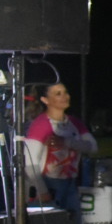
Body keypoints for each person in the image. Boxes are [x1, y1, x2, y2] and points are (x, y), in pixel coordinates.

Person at [23, 83, 96, 211]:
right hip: (50, 185)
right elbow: (30, 163)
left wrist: (66, 142)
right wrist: (42, 191)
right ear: (45, 100)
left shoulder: (74, 122)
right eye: (58, 94)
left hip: (72, 183)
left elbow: (93, 147)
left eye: (65, 92)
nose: (64, 97)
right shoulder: (41, 125)